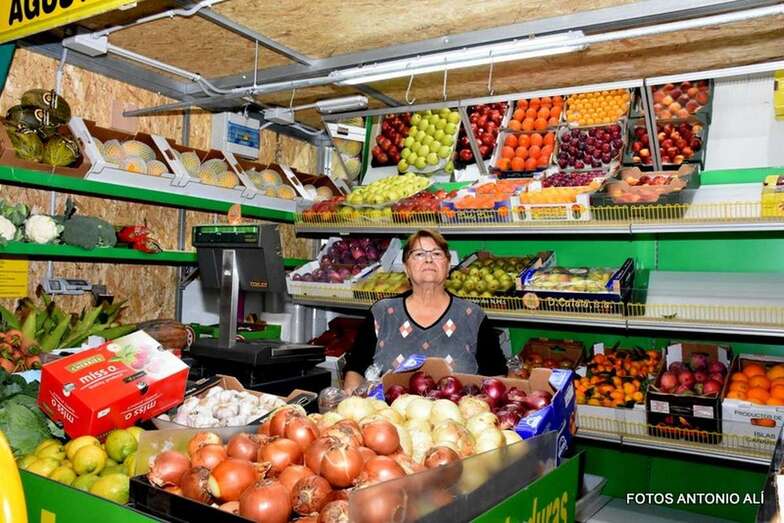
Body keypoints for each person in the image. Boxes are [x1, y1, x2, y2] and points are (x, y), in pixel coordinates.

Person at [343, 229, 508, 392]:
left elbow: (497, 377)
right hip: (387, 415)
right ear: (406, 267)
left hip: (455, 416)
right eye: (419, 254)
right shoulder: (382, 313)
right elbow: (355, 370)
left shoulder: (472, 316)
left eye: (437, 254)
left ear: (448, 265)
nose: (429, 259)